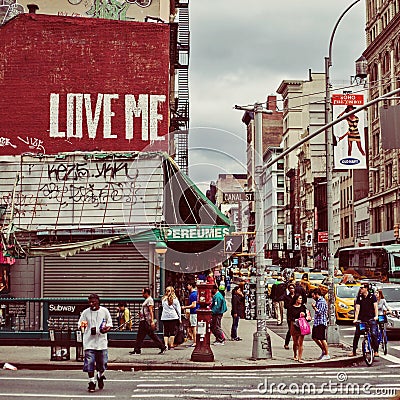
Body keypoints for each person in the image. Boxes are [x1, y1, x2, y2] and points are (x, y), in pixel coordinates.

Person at [78, 293, 113, 392]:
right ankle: (91, 382)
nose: (91, 304)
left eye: (93, 302)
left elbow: (109, 323)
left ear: (98, 301)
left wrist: (105, 329)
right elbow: (81, 324)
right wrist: (84, 327)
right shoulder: (85, 313)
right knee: (90, 362)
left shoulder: (104, 311)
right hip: (89, 341)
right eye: (90, 302)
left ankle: (100, 375)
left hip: (101, 342)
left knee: (102, 363)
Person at [129, 287, 167, 355]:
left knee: (146, 335)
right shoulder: (147, 300)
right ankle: (137, 349)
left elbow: (151, 311)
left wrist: (152, 321)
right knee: (144, 335)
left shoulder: (150, 300)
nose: (142, 294)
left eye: (143, 293)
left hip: (146, 321)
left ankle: (162, 347)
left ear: (146, 293)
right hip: (144, 320)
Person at [352, 283, 379, 357]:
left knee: (373, 334)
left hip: (371, 318)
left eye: (362, 288)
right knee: (357, 334)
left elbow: (375, 307)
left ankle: (376, 350)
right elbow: (357, 309)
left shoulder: (372, 296)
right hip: (362, 319)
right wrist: (356, 319)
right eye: (360, 288)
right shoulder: (359, 297)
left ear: (366, 289)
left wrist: (376, 316)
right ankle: (354, 351)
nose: (361, 289)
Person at [287, 294, 309, 362]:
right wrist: (295, 319)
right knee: (295, 342)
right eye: (299, 298)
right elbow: (289, 317)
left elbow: (306, 316)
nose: (301, 300)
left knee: (300, 342)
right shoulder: (291, 307)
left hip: (301, 325)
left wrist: (304, 315)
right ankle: (295, 355)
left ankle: (300, 357)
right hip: (294, 325)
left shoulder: (303, 307)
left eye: (301, 298)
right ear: (296, 299)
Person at [311, 288, 330, 360]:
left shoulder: (322, 301)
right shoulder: (318, 301)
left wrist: (314, 308)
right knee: (314, 337)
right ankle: (323, 350)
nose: (312, 297)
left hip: (321, 322)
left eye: (313, 296)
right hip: (317, 322)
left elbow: (320, 312)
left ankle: (327, 353)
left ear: (316, 294)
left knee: (322, 338)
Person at [182, 282, 199, 347]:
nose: (187, 286)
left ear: (191, 286)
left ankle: (195, 341)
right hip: (195, 312)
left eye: (188, 285)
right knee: (194, 327)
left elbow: (193, 305)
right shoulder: (196, 293)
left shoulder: (193, 295)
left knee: (193, 327)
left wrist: (185, 307)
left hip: (194, 312)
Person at [283, 283, 296, 350]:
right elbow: (285, 306)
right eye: (290, 288)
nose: (292, 289)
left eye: (293, 288)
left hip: (297, 314)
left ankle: (296, 343)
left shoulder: (297, 296)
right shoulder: (286, 297)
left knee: (297, 330)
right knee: (290, 330)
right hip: (290, 315)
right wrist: (292, 305)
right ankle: (286, 343)